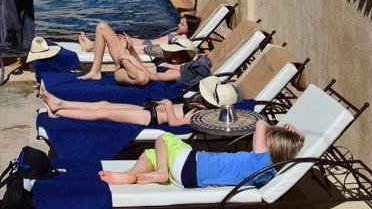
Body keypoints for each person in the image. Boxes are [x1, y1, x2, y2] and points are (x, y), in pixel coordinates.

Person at [99, 119, 305, 187]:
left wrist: (279, 127)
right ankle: (132, 175)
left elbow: (260, 123)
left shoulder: (261, 156)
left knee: (164, 138)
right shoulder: (268, 172)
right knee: (152, 153)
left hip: (189, 164)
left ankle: (161, 171)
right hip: (188, 179)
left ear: (270, 144)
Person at [41, 76, 254, 128]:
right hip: (148, 109)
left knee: (103, 112)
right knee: (104, 103)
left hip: (149, 117)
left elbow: (175, 124)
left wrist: (169, 106)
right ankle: (59, 105)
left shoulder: (204, 116)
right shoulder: (201, 106)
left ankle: (59, 108)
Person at [78, 21, 196, 86]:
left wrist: (127, 56)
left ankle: (119, 54)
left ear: (177, 56)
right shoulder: (166, 61)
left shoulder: (176, 73)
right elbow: (141, 65)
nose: (166, 52)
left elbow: (152, 76)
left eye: (171, 51)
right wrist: (131, 50)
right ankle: (95, 71)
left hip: (124, 71)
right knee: (102, 26)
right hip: (130, 67)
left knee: (142, 78)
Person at [78, 14, 201, 57]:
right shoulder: (176, 33)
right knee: (119, 37)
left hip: (148, 49)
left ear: (189, 29)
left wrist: (135, 46)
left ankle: (91, 47)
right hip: (147, 43)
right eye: (180, 21)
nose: (179, 24)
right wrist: (132, 39)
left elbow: (166, 50)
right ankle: (93, 44)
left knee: (120, 46)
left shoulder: (182, 39)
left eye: (182, 24)